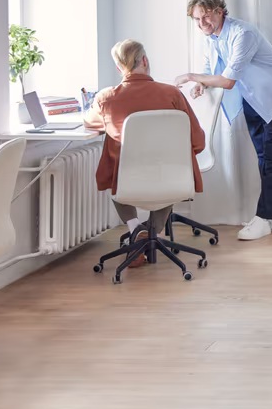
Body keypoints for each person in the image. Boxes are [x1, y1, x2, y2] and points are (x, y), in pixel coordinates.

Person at [175, 0, 272, 241]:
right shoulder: (212, 38)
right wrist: (204, 83)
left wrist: (191, 77)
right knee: (264, 158)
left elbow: (229, 80)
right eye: (197, 20)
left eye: (206, 17)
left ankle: (264, 218)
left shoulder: (243, 34)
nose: (202, 24)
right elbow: (212, 69)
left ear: (220, 11)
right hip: (253, 99)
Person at [84, 39, 206, 269]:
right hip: (171, 177)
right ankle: (152, 232)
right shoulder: (171, 94)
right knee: (167, 175)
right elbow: (197, 141)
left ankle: (135, 229)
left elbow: (89, 123)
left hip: (127, 180)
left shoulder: (106, 98)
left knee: (115, 168)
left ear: (119, 68)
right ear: (145, 61)